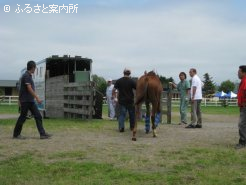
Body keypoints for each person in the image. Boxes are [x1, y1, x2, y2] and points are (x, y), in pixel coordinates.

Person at [13, 61, 52, 139]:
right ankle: (16, 134)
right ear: (32, 67)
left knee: (38, 116)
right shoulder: (26, 76)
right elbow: (29, 88)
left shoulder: (28, 76)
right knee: (22, 117)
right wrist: (37, 98)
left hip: (30, 101)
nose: (35, 70)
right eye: (35, 68)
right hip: (26, 101)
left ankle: (42, 134)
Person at [235, 65, 246, 149]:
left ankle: (242, 142)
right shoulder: (243, 81)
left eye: (239, 72)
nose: (237, 73)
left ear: (243, 72)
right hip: (243, 106)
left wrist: (244, 103)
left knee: (242, 124)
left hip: (245, 106)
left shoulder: (245, 80)